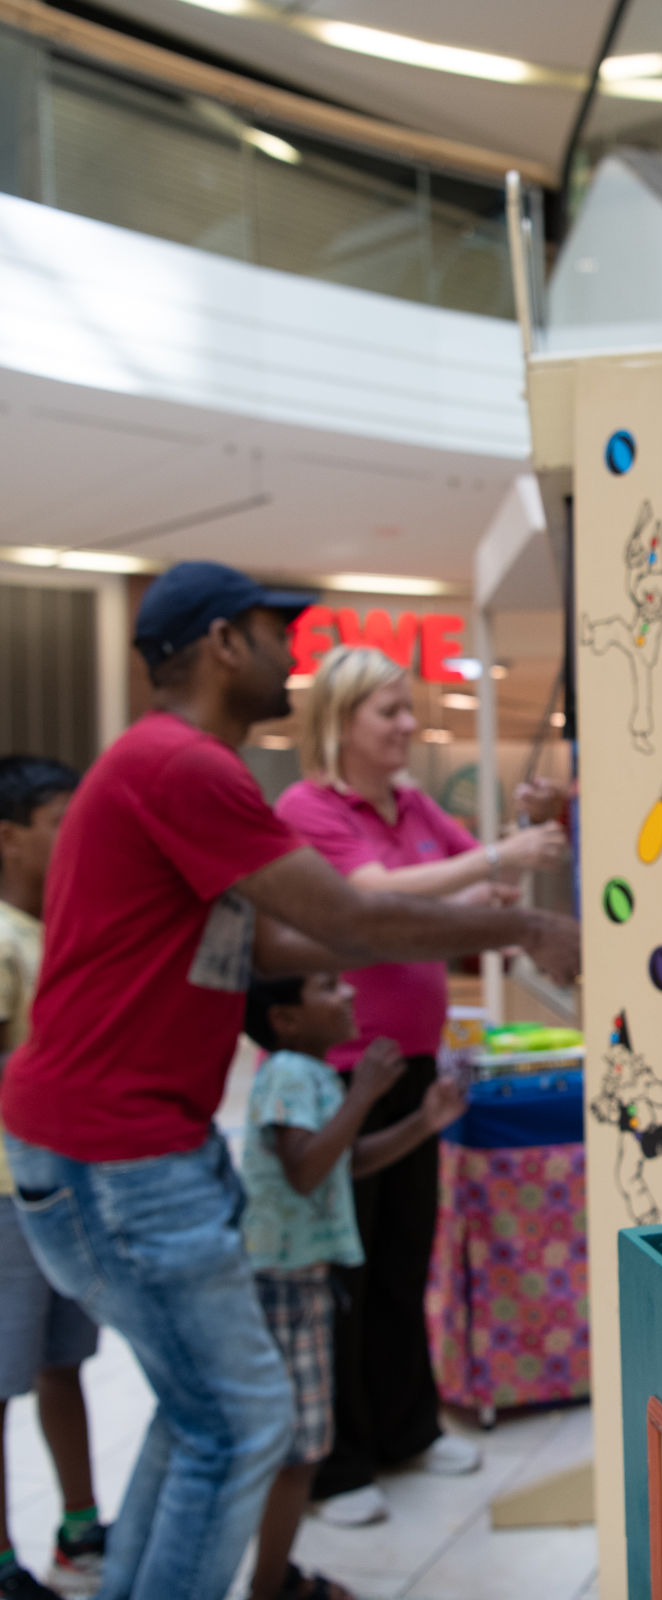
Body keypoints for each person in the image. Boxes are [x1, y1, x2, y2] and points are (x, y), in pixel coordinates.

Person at [0, 562, 580, 1600]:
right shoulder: (184, 765)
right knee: (244, 1421)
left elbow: (278, 937)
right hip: (118, 1151)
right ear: (223, 642)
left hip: (116, 1143)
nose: (294, 656)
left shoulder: (167, 765)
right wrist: (524, 925)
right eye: (281, 633)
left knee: (204, 1413)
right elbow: (348, 918)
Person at [275, 645, 569, 1525]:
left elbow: (484, 888)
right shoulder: (308, 810)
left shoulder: (410, 807)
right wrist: (494, 858)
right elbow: (371, 899)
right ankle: (338, 1464)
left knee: (406, 1257)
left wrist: (519, 838)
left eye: (410, 710)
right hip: (340, 1077)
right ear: (341, 720)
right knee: (345, 1273)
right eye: (390, 713)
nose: (409, 727)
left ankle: (406, 1429)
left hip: (413, 1066)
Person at [239, 972, 466, 1600]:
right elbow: (308, 1171)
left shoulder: (308, 1075)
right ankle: (271, 1582)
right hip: (285, 1281)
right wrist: (363, 1093)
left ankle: (274, 1577)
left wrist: (424, 1121)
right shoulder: (289, 1072)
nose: (348, 995)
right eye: (325, 988)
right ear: (285, 1018)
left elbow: (349, 1160)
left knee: (300, 1441)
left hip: (304, 1277)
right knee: (300, 1446)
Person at [0, 758, 108, 1600]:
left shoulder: (64, 930)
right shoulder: (3, 937)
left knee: (63, 1362)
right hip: (7, 1194)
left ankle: (80, 1527)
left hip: (65, 1188)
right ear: (10, 838)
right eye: (59, 823)